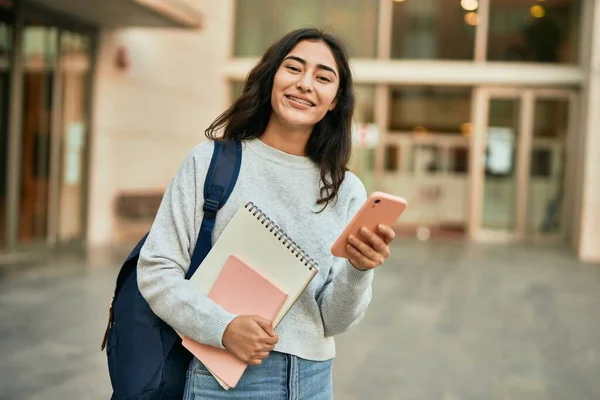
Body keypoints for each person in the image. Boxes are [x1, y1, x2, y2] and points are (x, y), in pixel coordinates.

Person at [137, 27, 397, 399]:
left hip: (313, 381)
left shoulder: (346, 190)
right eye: (294, 68)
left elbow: (332, 321)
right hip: (222, 378)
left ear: (334, 100)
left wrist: (359, 271)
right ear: (271, 76)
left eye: (323, 77)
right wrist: (222, 327)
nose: (306, 84)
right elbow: (156, 269)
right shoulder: (211, 162)